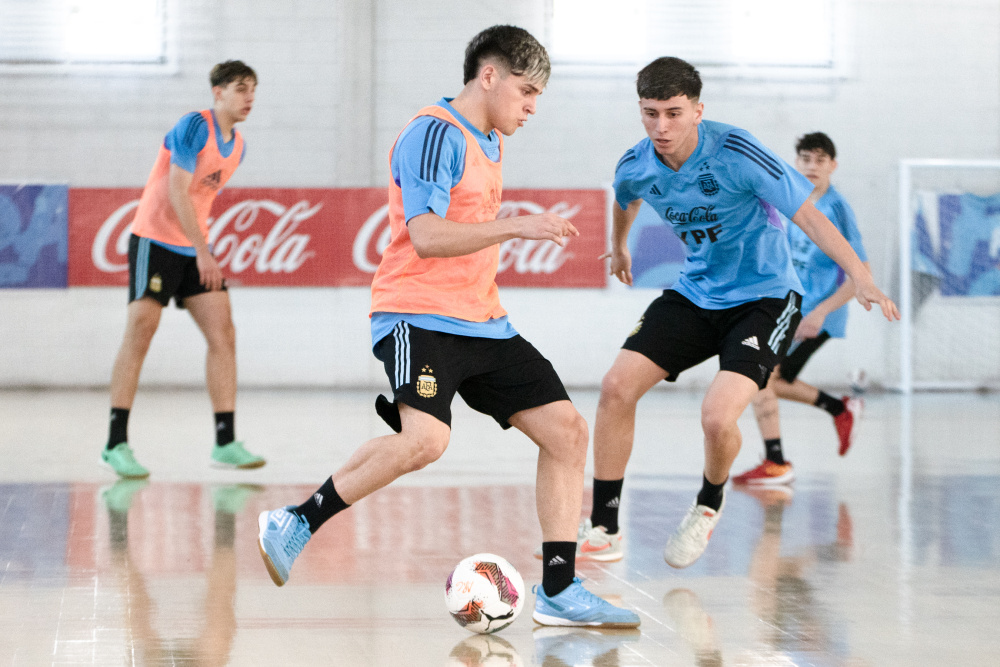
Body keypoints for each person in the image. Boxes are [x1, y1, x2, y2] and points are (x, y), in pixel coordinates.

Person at [257, 25, 639, 629]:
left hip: (484, 321)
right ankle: (297, 520)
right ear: (489, 76)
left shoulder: (491, 138)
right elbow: (427, 235)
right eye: (527, 90)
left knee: (567, 432)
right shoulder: (435, 133)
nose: (533, 106)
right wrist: (518, 226)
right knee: (426, 442)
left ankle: (560, 589)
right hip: (418, 315)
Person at [574, 57, 898, 569]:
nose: (661, 127)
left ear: (698, 110)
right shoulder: (635, 163)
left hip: (766, 297)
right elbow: (625, 198)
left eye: (674, 113)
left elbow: (807, 214)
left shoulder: (737, 152)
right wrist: (620, 247)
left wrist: (859, 275)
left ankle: (707, 505)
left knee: (717, 415)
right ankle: (606, 526)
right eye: (650, 113)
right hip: (697, 292)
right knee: (616, 388)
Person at [100, 61, 265, 479]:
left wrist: (199, 250)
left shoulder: (239, 147)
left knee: (223, 334)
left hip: (194, 248)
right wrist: (203, 250)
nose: (248, 97)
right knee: (141, 329)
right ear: (217, 92)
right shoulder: (195, 125)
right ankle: (115, 442)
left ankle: (226, 441)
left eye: (253, 90)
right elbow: (177, 190)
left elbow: (201, 201)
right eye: (240, 88)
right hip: (155, 241)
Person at [735, 132, 868, 486]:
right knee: (766, 379)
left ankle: (778, 461)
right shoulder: (788, 201)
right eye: (806, 159)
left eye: (820, 160)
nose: (812, 166)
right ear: (796, 163)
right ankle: (839, 410)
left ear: (832, 166)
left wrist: (820, 313)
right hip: (786, 310)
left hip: (818, 314)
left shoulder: (837, 209)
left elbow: (860, 276)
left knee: (761, 378)